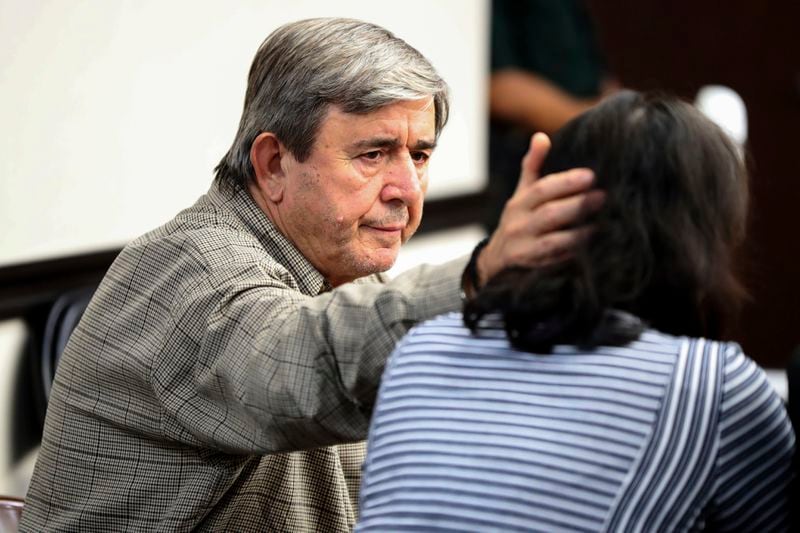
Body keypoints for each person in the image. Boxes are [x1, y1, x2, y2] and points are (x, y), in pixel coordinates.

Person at [19, 18, 602, 532]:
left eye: (419, 156)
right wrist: (482, 274)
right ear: (273, 164)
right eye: (372, 155)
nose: (406, 192)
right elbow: (302, 363)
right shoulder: (188, 271)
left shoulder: (342, 273)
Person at [357, 91, 795, 532]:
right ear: (701, 235)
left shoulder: (420, 350)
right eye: (372, 154)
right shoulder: (710, 385)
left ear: (542, 202)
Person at [486, 0, 620, 232]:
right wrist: (604, 124)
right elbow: (499, 88)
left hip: (589, 158)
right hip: (524, 166)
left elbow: (597, 74)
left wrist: (622, 115)